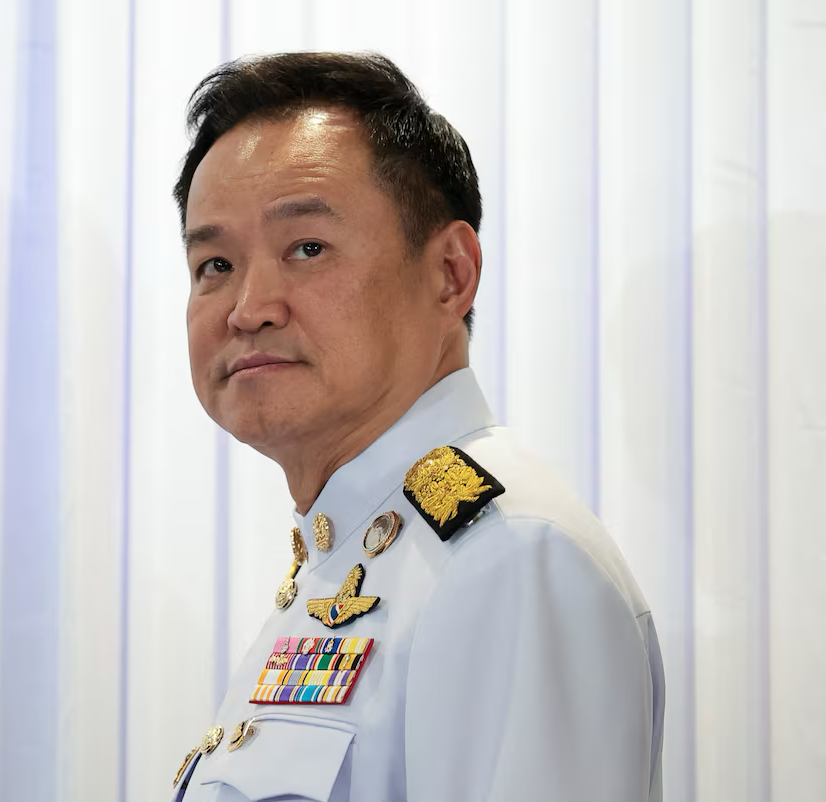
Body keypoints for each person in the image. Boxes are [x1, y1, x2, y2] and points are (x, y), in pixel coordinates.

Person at [168, 52, 664, 802]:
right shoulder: (359, 549)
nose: (249, 308)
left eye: (307, 248)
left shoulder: (507, 557)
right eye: (214, 264)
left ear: (450, 274)